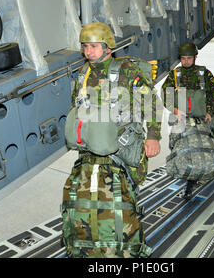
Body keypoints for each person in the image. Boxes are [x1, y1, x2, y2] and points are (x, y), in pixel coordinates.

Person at [61, 22, 162, 258]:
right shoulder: (83, 74)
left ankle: (128, 249)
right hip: (92, 151)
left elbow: (152, 104)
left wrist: (153, 136)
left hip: (122, 151)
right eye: (85, 46)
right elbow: (77, 107)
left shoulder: (127, 71)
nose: (88, 52)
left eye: (94, 46)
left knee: (124, 204)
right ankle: (91, 249)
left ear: (108, 47)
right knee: (88, 204)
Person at [161, 42, 214, 199]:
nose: (186, 61)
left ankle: (190, 183)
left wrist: (209, 111)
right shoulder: (174, 75)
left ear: (195, 57)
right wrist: (174, 109)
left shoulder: (204, 74)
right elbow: (166, 94)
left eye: (189, 58)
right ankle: (184, 171)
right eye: (183, 58)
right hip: (179, 119)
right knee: (176, 146)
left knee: (197, 149)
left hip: (199, 119)